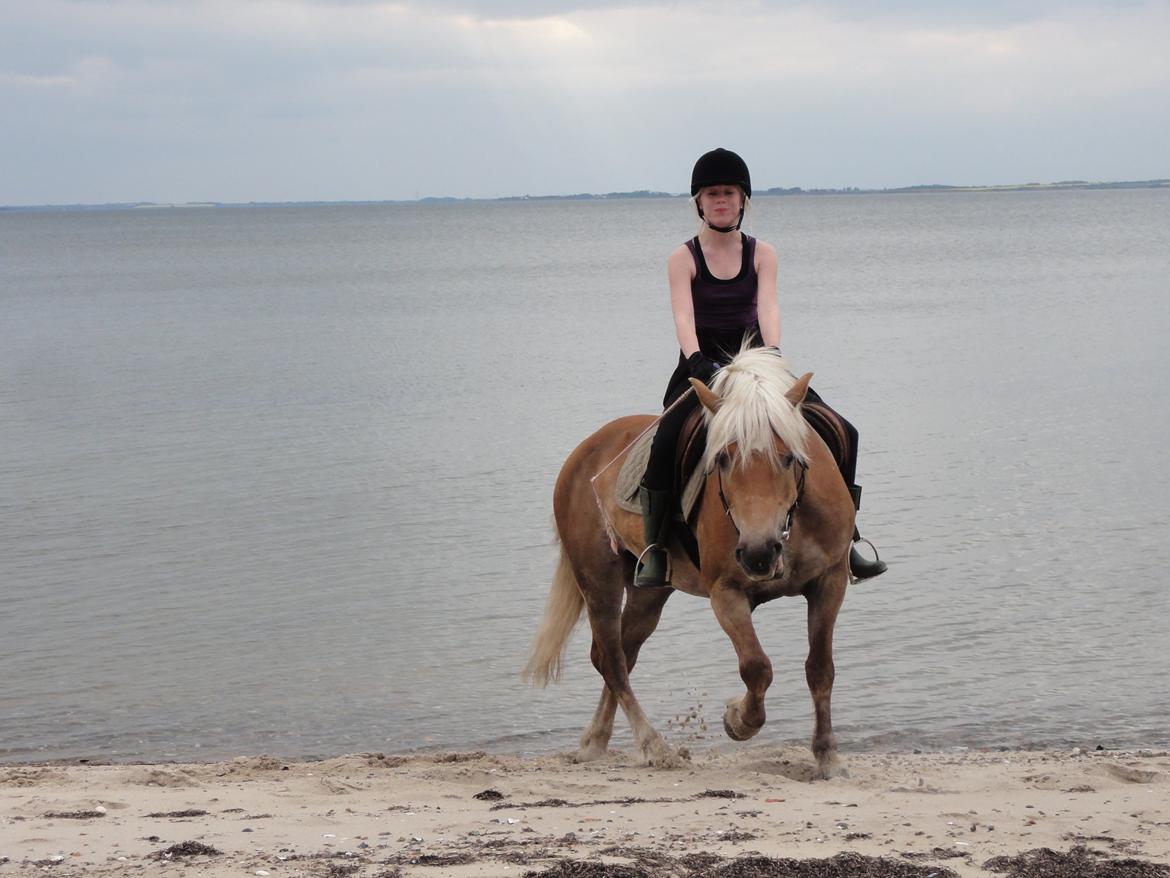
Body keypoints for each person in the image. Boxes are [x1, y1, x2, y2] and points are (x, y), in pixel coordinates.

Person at [635, 147, 887, 588]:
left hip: (760, 365)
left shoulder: (762, 253)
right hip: (701, 368)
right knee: (667, 440)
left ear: (743, 199)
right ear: (698, 201)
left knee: (843, 428)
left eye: (729, 193)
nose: (720, 200)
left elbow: (768, 307)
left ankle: (849, 540)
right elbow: (682, 318)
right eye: (712, 193)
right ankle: (656, 548)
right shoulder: (683, 257)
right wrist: (698, 361)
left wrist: (771, 354)